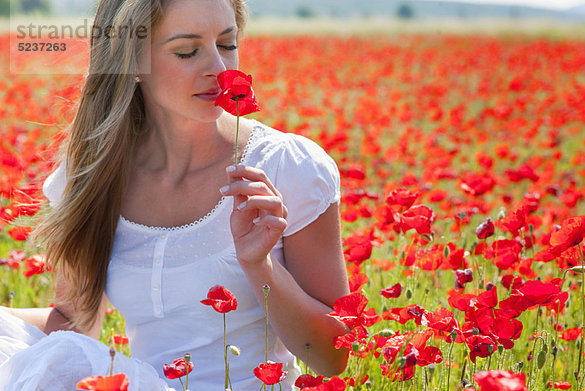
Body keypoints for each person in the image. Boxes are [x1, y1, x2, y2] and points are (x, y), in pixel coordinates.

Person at [0, 0, 350, 389]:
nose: (219, 69)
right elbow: (72, 322)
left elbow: (331, 357)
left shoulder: (286, 167)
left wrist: (261, 266)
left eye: (227, 43)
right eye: (188, 50)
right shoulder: (97, 173)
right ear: (132, 63)